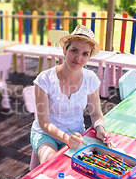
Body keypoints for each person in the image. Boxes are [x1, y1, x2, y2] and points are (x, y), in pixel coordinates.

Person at [31, 25, 108, 164]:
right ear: (65, 50)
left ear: (89, 57)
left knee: (90, 167)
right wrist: (66, 138)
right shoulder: (45, 79)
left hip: (77, 135)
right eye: (74, 50)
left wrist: (100, 128)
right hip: (46, 135)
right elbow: (44, 123)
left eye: (85, 54)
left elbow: (96, 114)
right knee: (52, 164)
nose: (78, 57)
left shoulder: (91, 78)